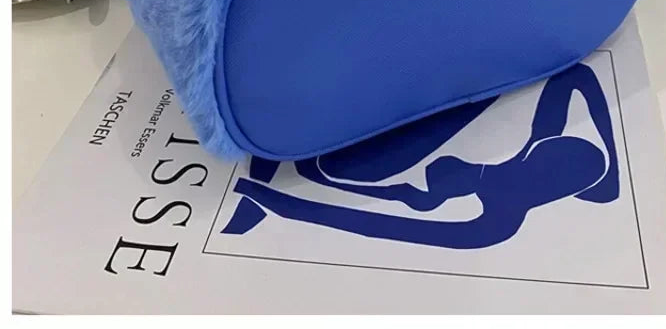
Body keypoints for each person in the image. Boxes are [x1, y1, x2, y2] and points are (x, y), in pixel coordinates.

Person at [223, 63, 620, 249]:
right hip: (360, 118)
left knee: (333, 167)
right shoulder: (537, 138)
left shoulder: (496, 223)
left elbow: (371, 225)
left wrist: (270, 199)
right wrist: (612, 170)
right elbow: (578, 75)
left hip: (322, 150)